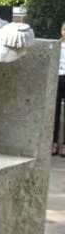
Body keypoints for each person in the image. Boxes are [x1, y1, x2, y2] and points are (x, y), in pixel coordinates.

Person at [53, 21, 65, 155]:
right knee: (55, 113)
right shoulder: (57, 45)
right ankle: (54, 143)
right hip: (58, 78)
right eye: (63, 30)